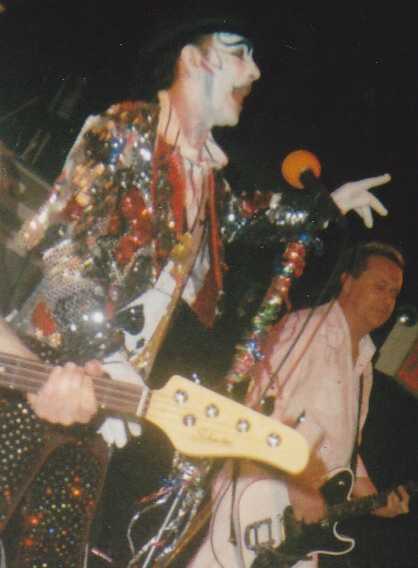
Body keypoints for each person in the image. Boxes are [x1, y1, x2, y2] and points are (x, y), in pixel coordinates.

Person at [0, 15, 393, 567]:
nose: (255, 72)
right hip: (35, 375)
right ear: (190, 58)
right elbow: (62, 250)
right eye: (239, 53)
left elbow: (246, 217)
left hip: (107, 402)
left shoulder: (203, 177)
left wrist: (325, 206)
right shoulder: (124, 130)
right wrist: (103, 353)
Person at [187, 241, 411, 568]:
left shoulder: (364, 366)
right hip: (262, 492)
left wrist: (376, 500)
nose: (387, 299)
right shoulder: (306, 330)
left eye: (394, 292)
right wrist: (298, 485)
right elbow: (264, 411)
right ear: (347, 281)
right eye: (380, 286)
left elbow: (344, 451)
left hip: (300, 518)